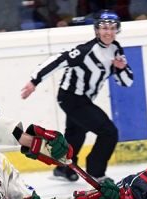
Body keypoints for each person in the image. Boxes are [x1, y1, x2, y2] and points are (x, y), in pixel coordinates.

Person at [21, 10, 133, 182]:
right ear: (97, 30)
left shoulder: (116, 49)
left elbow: (126, 82)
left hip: (84, 99)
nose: (109, 32)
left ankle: (63, 168)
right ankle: (96, 172)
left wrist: (121, 68)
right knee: (108, 132)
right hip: (71, 98)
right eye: (104, 28)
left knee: (76, 134)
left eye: (112, 28)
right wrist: (34, 80)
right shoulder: (85, 51)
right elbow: (58, 61)